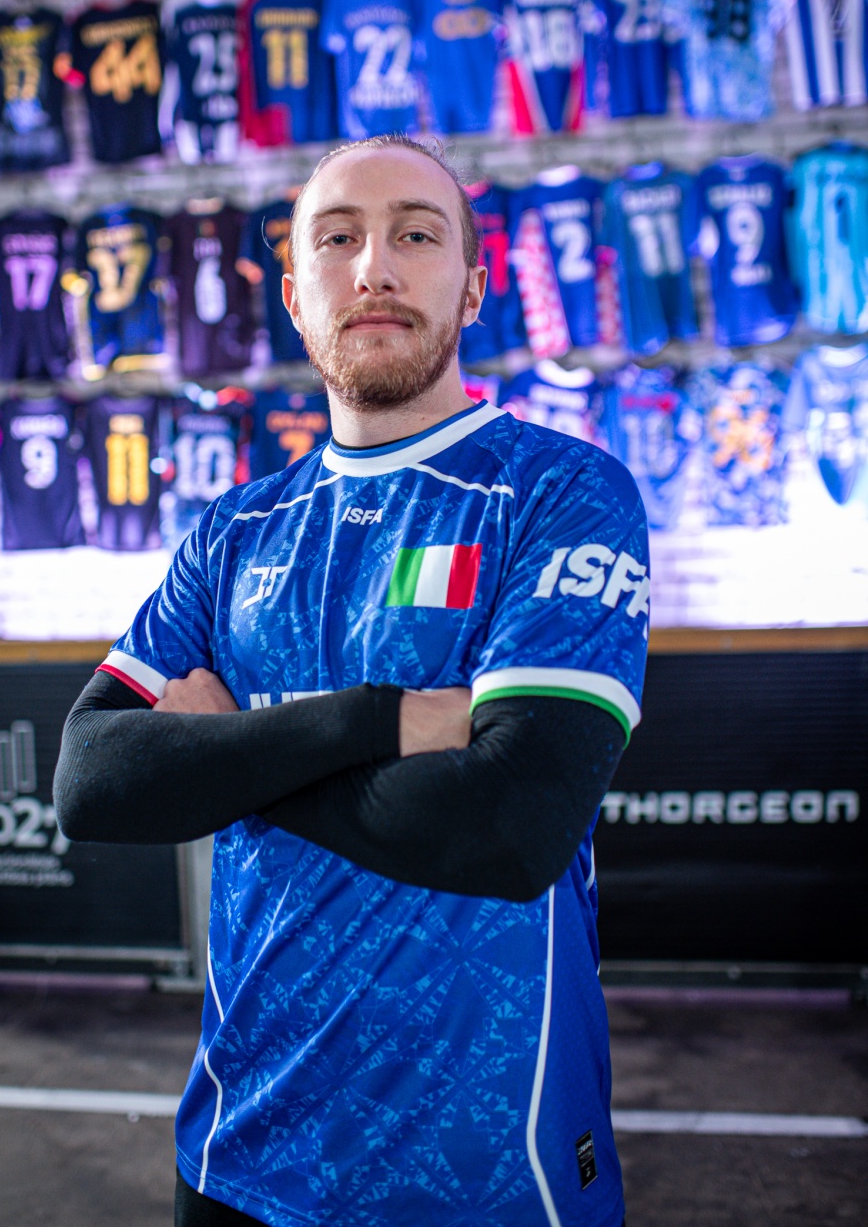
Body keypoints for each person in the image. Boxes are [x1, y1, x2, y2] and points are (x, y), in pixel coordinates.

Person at [54, 135, 649, 1227]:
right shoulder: (236, 529)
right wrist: (379, 723)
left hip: (489, 1172)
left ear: (473, 286)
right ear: (294, 295)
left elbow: (509, 828)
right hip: (235, 1153)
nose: (374, 267)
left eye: (415, 234)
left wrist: (227, 756)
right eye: (337, 239)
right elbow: (92, 779)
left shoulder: (559, 492)